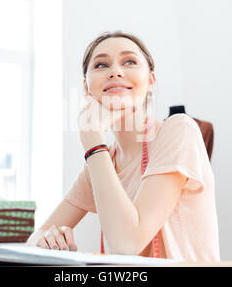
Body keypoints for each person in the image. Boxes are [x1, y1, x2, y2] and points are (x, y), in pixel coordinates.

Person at [26, 31, 220, 261]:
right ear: (87, 88)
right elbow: (32, 242)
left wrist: (92, 138)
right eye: (101, 65)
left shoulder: (178, 130)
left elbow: (127, 243)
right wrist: (47, 237)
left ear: (150, 81)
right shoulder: (102, 161)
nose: (115, 71)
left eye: (129, 61)